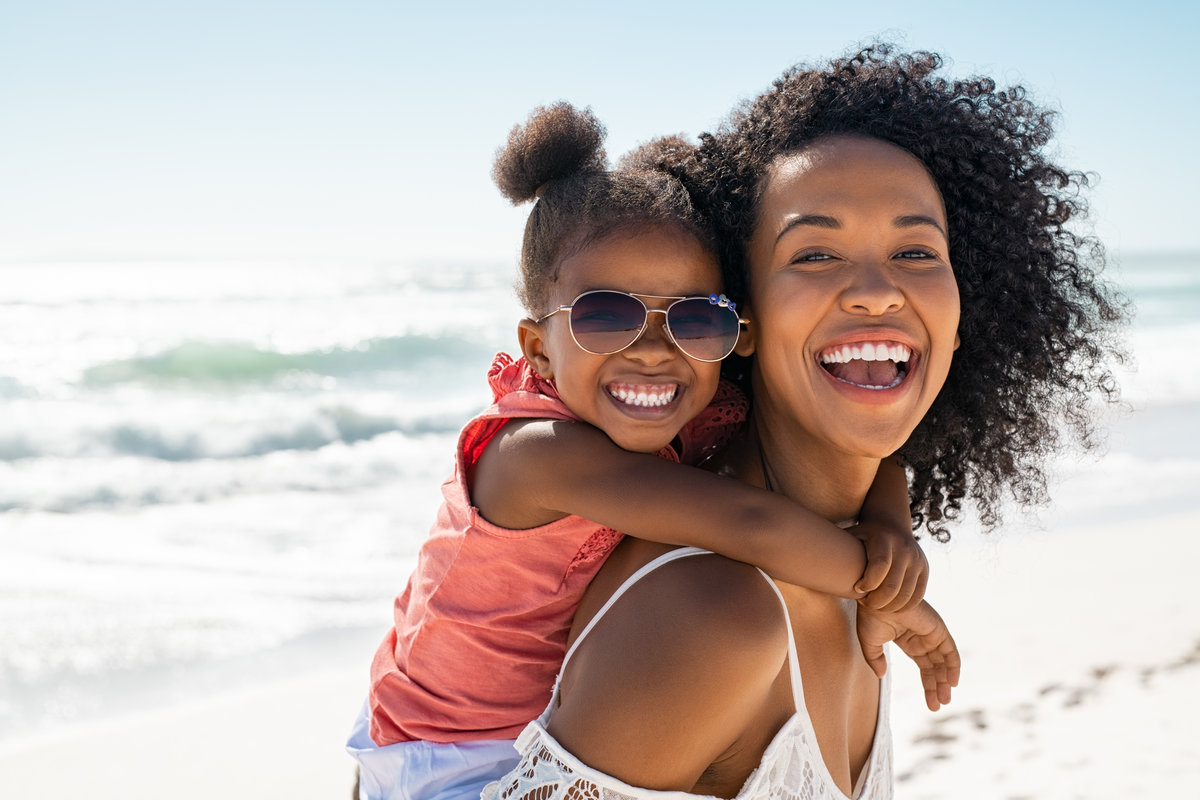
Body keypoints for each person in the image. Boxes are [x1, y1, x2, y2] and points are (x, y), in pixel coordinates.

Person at [484, 45, 1126, 799]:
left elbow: (876, 472)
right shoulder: (715, 616)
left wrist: (892, 529)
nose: (877, 291)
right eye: (816, 253)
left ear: (961, 318)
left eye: (916, 250)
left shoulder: (861, 569)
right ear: (742, 323)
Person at [347, 101, 941, 800]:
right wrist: (892, 591)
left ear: (735, 331)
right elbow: (747, 523)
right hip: (444, 754)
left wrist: (893, 523)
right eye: (606, 315)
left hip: (527, 728)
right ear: (538, 346)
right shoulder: (537, 454)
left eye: (695, 318)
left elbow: (861, 444)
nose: (656, 350)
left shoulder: (688, 410)